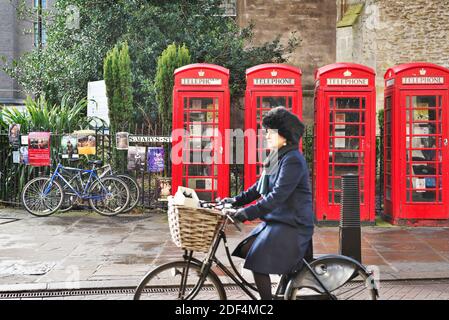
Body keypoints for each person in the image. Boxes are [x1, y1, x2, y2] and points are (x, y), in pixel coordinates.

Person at [222, 107, 314, 300]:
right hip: (278, 220)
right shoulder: (277, 156)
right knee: (248, 249)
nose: (266, 136)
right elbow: (259, 187)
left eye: (270, 132)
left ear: (284, 135)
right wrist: (235, 200)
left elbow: (277, 196)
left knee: (257, 261)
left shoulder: (293, 160)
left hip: (292, 224)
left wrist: (246, 213)